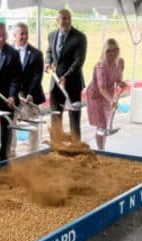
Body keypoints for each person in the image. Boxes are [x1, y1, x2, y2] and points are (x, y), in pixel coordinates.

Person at [45, 9, 87, 142]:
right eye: (63, 18)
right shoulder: (52, 35)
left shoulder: (79, 37)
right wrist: (47, 62)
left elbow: (79, 61)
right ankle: (57, 148)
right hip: (56, 84)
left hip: (73, 83)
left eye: (68, 18)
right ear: (57, 20)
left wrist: (66, 76)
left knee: (74, 119)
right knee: (55, 117)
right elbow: (50, 52)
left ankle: (76, 149)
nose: (66, 21)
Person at [0, 22, 23, 160]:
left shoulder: (13, 54)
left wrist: (12, 95)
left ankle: (3, 158)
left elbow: (16, 78)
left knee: (6, 129)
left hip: (7, 98)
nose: (0, 39)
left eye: (3, 36)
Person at [86, 38, 125, 149]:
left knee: (105, 123)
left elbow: (118, 80)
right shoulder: (101, 66)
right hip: (96, 95)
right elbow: (101, 87)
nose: (112, 53)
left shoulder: (120, 62)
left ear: (118, 50)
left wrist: (121, 84)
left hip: (108, 95)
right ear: (104, 51)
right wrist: (111, 100)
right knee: (101, 124)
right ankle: (101, 150)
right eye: (109, 51)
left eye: (115, 50)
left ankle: (102, 148)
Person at [12, 22, 45, 153]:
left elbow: (37, 76)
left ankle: (33, 154)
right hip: (13, 97)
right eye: (21, 34)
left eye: (26, 33)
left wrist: (30, 93)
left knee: (33, 128)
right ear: (14, 35)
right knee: (11, 125)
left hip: (31, 97)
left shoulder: (36, 54)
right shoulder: (8, 52)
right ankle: (11, 152)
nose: (24, 36)